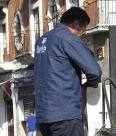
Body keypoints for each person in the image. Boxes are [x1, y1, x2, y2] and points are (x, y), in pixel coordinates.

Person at [34, 7, 102, 136]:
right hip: (65, 114)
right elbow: (94, 71)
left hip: (44, 115)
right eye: (82, 31)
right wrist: (89, 84)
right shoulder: (68, 38)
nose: (81, 35)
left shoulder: (42, 40)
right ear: (76, 24)